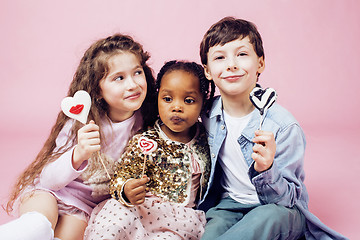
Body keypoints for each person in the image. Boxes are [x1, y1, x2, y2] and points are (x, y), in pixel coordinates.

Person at [198, 17, 348, 240]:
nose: (231, 64)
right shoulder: (208, 113)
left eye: (242, 54)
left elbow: (288, 199)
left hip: (278, 209)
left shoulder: (284, 126)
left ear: (260, 64)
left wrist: (267, 169)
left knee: (264, 218)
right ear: (208, 71)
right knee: (212, 230)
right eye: (220, 57)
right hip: (229, 205)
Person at [0, 33, 157, 240]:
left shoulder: (147, 124)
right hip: (50, 193)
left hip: (86, 207)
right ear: (98, 90)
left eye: (137, 72)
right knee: (38, 226)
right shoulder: (82, 120)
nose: (132, 84)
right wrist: (79, 153)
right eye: (119, 78)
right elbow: (49, 180)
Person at [84, 60, 214, 240]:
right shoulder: (146, 139)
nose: (176, 107)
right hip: (141, 208)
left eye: (189, 100)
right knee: (115, 217)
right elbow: (121, 175)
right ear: (158, 98)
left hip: (180, 219)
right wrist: (126, 189)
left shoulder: (208, 141)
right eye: (167, 99)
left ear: (203, 103)